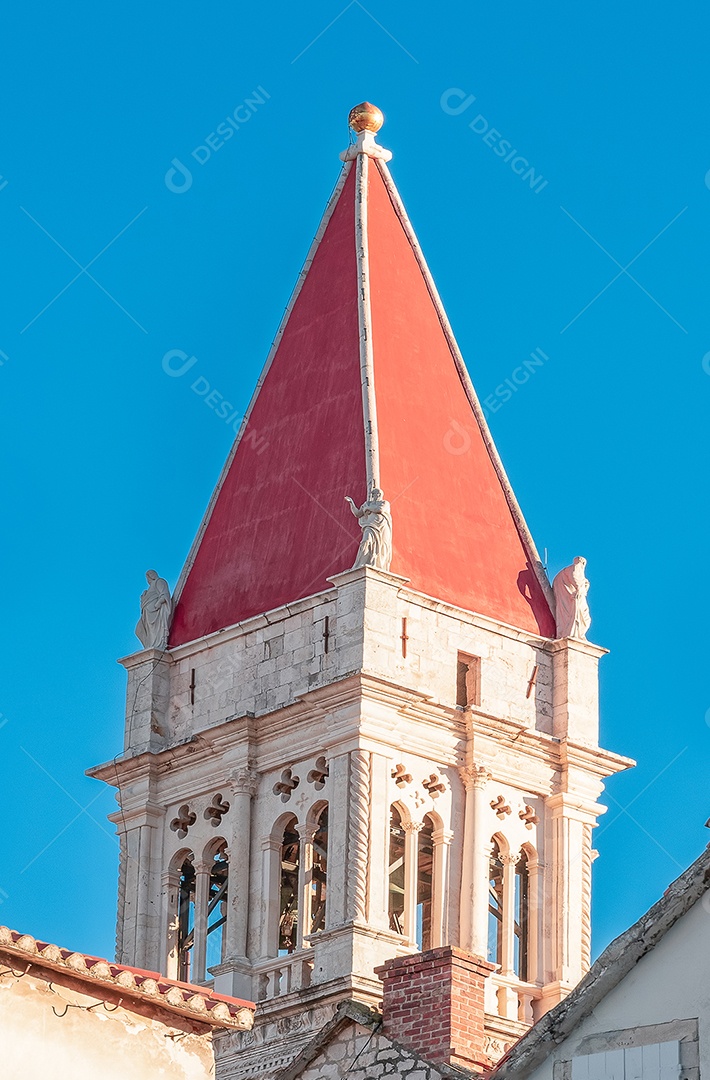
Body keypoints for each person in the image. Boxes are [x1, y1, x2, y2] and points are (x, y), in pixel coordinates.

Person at [345, 488, 392, 571]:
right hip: (370, 526)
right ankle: (360, 564)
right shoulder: (367, 504)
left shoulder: (384, 503)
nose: (375, 496)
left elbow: (380, 510)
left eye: (377, 494)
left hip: (382, 527)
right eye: (373, 494)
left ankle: (377, 563)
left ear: (380, 495)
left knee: (382, 546)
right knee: (366, 541)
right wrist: (351, 503)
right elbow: (358, 513)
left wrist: (368, 509)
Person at [552, 556, 591, 639]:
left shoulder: (564, 572)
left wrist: (584, 584)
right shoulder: (576, 567)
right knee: (585, 617)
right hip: (575, 597)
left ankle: (573, 632)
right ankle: (576, 633)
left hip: (569, 597)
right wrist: (579, 588)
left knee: (580, 616)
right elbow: (574, 576)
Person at [135, 570, 172, 650]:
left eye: (151, 574)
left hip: (155, 611)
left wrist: (158, 604)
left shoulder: (159, 581)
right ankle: (149, 646)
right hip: (147, 613)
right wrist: (144, 597)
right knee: (139, 630)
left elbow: (164, 594)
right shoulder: (148, 590)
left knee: (156, 631)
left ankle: (157, 645)